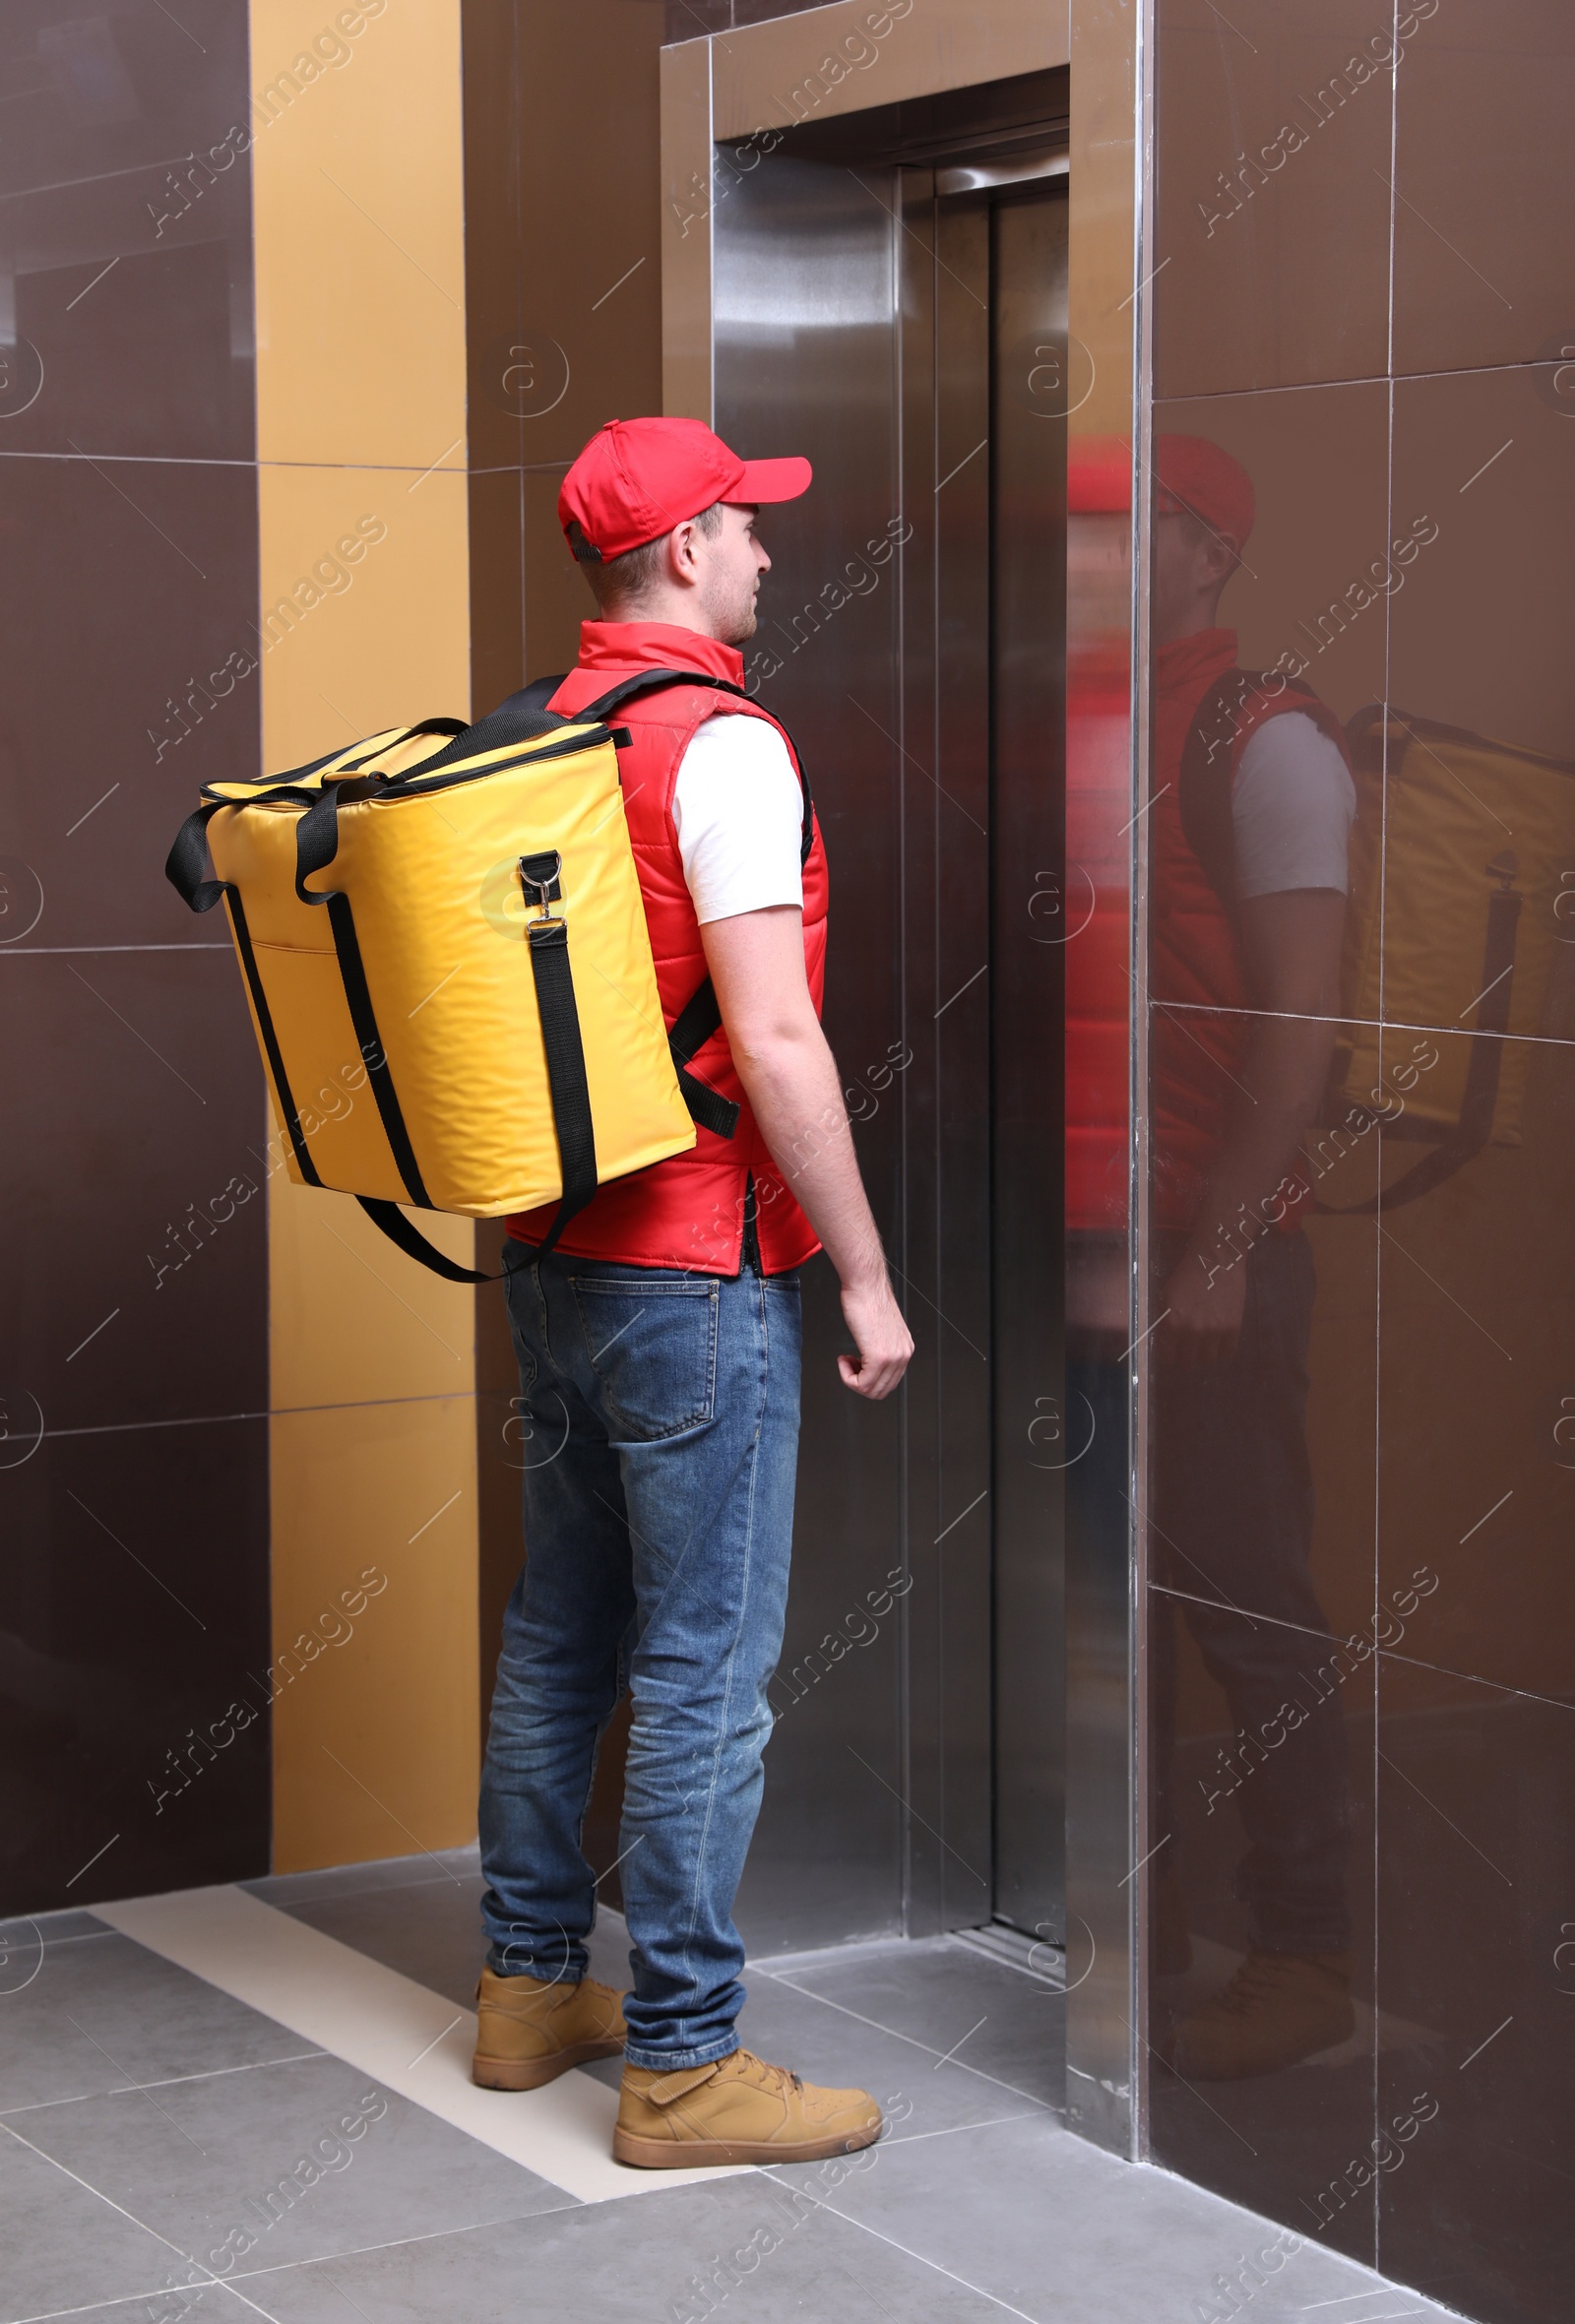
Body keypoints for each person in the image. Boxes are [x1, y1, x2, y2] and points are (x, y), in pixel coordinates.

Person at [471, 415, 914, 2166]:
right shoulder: (721, 746)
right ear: (675, 555)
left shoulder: (545, 729)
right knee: (706, 1665)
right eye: (745, 526)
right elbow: (774, 1029)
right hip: (697, 1272)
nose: (767, 553)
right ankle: (681, 2059)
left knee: (562, 1629)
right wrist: (864, 1275)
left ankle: (524, 1990)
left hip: (557, 1258)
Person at [1142, 437, 1361, 2079]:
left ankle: (1306, 1954)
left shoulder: (1261, 741)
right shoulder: (1091, 731)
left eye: (1128, 528)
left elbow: (1303, 1029)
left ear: (1208, 553)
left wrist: (1218, 1253)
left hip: (1208, 1262)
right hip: (1089, 1246)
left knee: (1251, 1611)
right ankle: (1127, 1945)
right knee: (1112, 1607)